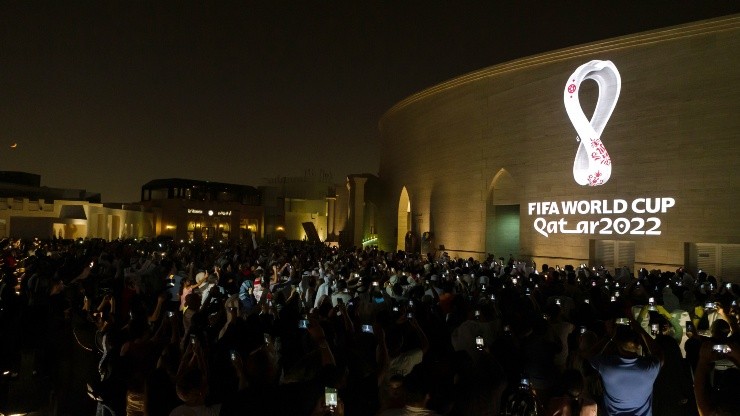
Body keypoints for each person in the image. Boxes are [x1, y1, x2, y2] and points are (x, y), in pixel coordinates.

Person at [587, 318, 663, 416]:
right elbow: (659, 353)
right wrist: (640, 330)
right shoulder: (649, 368)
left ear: (618, 344)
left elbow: (591, 355)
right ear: (638, 344)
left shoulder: (607, 366)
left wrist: (609, 336)